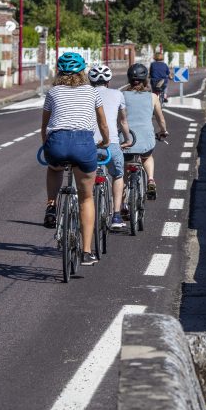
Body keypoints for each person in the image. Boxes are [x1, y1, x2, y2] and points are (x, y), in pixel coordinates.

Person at [41, 52, 111, 266]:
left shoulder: (53, 92)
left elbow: (45, 126)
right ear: (82, 72)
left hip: (57, 142)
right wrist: (106, 142)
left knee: (54, 168)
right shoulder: (92, 92)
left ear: (59, 72)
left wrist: (47, 146)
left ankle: (51, 205)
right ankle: (87, 251)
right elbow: (102, 123)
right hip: (83, 144)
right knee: (86, 198)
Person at [87, 63, 133, 232]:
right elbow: (123, 121)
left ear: (90, 81)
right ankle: (116, 215)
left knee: (84, 178)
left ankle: (85, 214)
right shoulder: (118, 94)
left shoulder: (86, 94)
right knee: (118, 175)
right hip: (111, 144)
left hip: (88, 145)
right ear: (109, 80)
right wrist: (127, 139)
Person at [121, 63, 168, 213]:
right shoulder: (153, 97)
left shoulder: (121, 95)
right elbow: (160, 119)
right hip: (146, 138)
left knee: (124, 169)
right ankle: (151, 180)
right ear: (145, 80)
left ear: (129, 79)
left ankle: (123, 205)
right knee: (147, 157)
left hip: (126, 138)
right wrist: (163, 131)